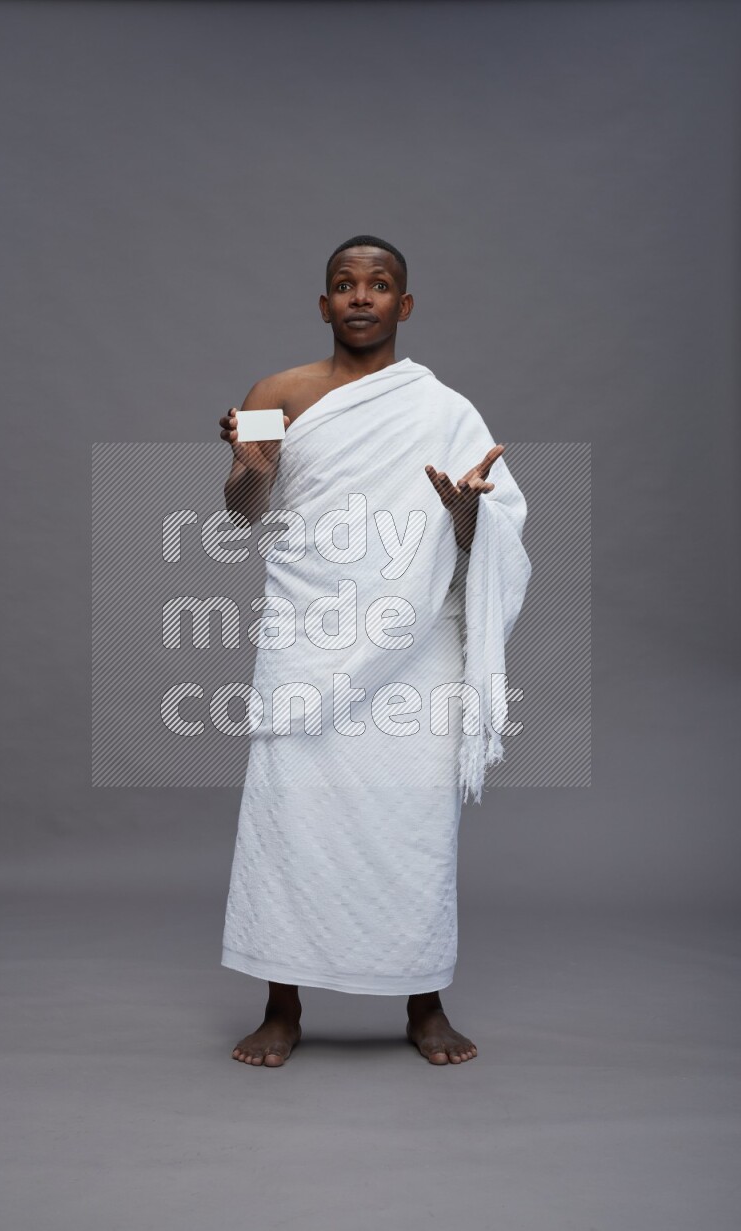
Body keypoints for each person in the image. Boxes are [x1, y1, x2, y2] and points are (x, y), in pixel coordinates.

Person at [218, 235, 529, 1067]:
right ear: (324, 304)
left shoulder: (446, 409)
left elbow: (483, 531)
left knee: (413, 819)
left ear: (405, 304)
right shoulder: (275, 392)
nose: (362, 297)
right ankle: (282, 1005)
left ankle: (423, 1001)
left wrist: (468, 512)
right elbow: (246, 508)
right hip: (307, 633)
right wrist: (249, 464)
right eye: (345, 285)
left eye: (380, 284)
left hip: (412, 643)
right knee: (290, 818)